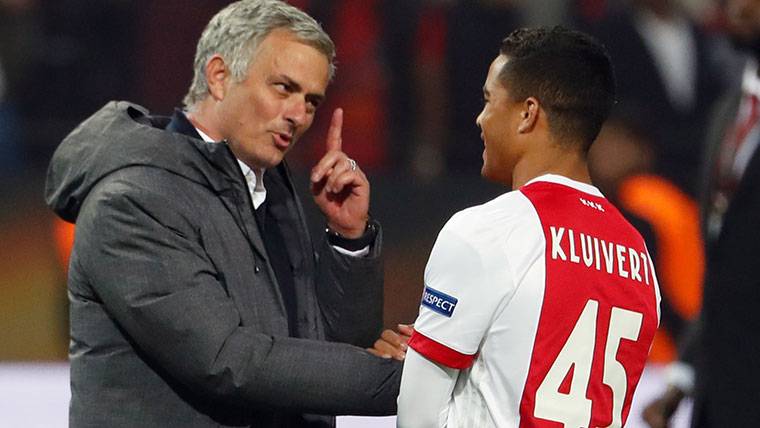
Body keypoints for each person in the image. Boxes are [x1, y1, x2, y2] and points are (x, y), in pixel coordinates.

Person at [44, 1, 402, 426]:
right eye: (283, 88)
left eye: (311, 101)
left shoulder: (270, 191)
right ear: (218, 76)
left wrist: (348, 238)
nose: (298, 115)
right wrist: (407, 382)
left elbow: (332, 353)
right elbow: (228, 361)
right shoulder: (133, 200)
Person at [396, 27, 662, 427]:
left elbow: (417, 420)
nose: (480, 118)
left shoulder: (486, 231)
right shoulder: (638, 256)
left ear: (527, 114)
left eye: (489, 100)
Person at [643, 0, 760, 426]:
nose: (736, 6)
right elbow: (725, 270)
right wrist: (684, 375)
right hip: (722, 398)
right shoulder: (727, 112)